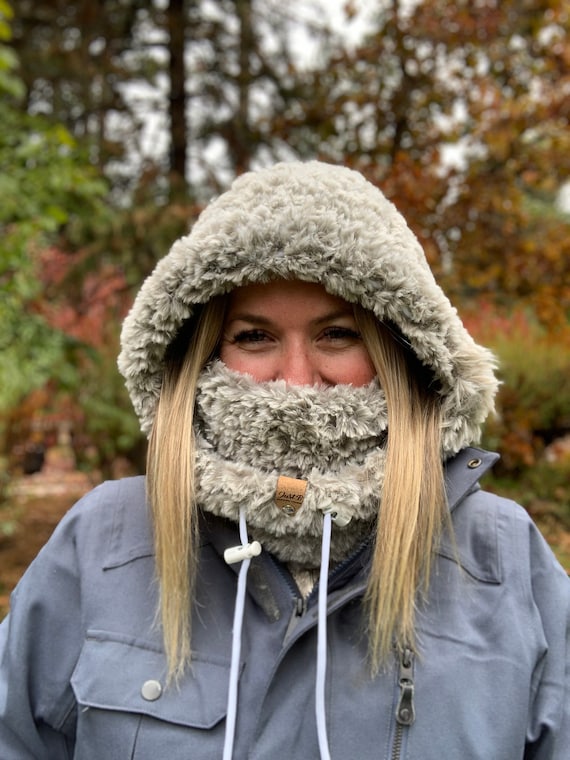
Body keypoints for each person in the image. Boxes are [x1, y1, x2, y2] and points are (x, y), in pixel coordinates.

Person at [0, 161, 568, 759]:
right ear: (200, 354)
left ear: (400, 352)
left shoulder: (504, 560)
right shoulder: (105, 545)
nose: (297, 381)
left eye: (338, 335)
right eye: (253, 337)